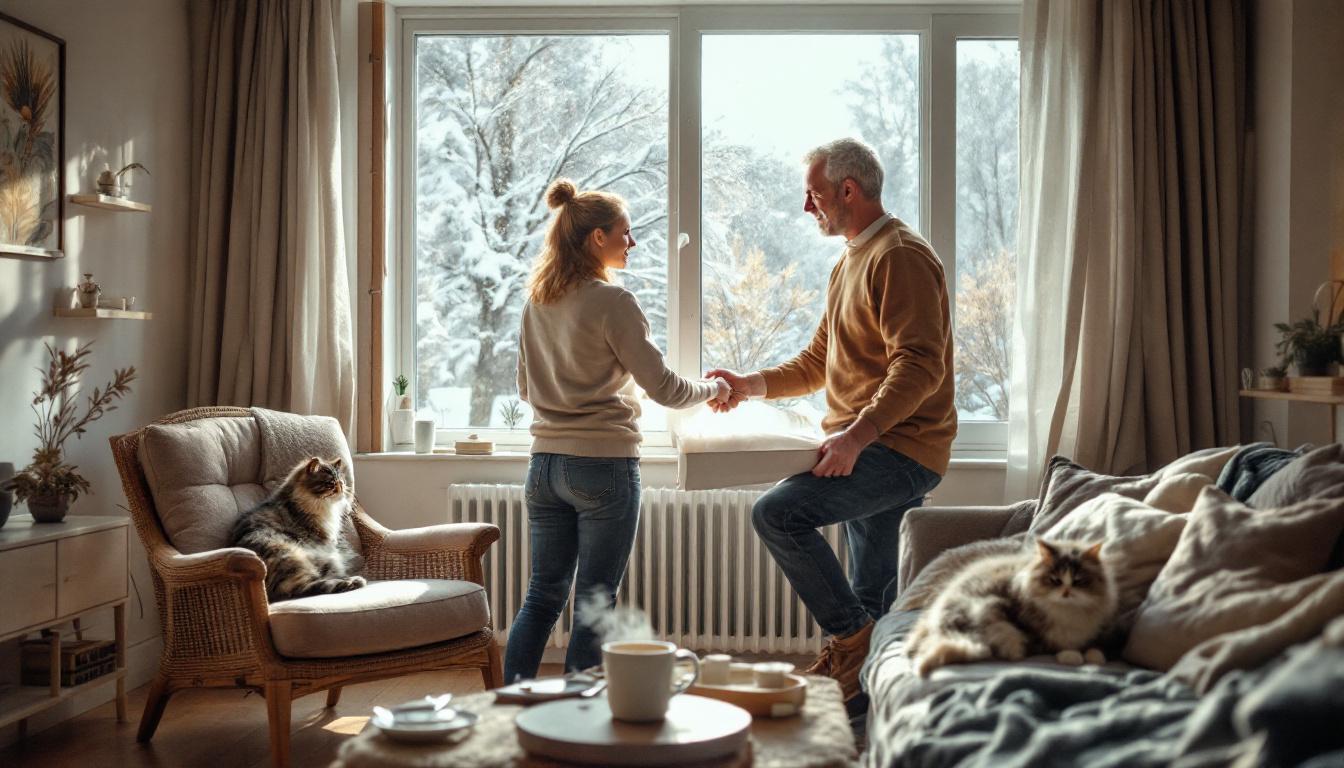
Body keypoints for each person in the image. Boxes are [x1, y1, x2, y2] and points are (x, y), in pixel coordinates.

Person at [707, 138, 956, 701]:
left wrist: (856, 436)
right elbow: (820, 360)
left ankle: (852, 642)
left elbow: (920, 365)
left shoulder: (900, 255)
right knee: (873, 595)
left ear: (849, 189)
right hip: (865, 446)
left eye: (813, 195)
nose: (806, 208)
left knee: (776, 514)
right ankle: (863, 705)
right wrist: (750, 386)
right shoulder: (851, 259)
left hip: (900, 449)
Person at [505, 178, 731, 683]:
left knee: (541, 596)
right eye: (625, 234)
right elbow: (667, 390)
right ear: (596, 239)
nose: (632, 243)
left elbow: (525, 388)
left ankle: (510, 705)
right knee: (595, 599)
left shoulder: (535, 303)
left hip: (543, 468)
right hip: (603, 467)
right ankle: (578, 712)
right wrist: (714, 389)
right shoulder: (614, 302)